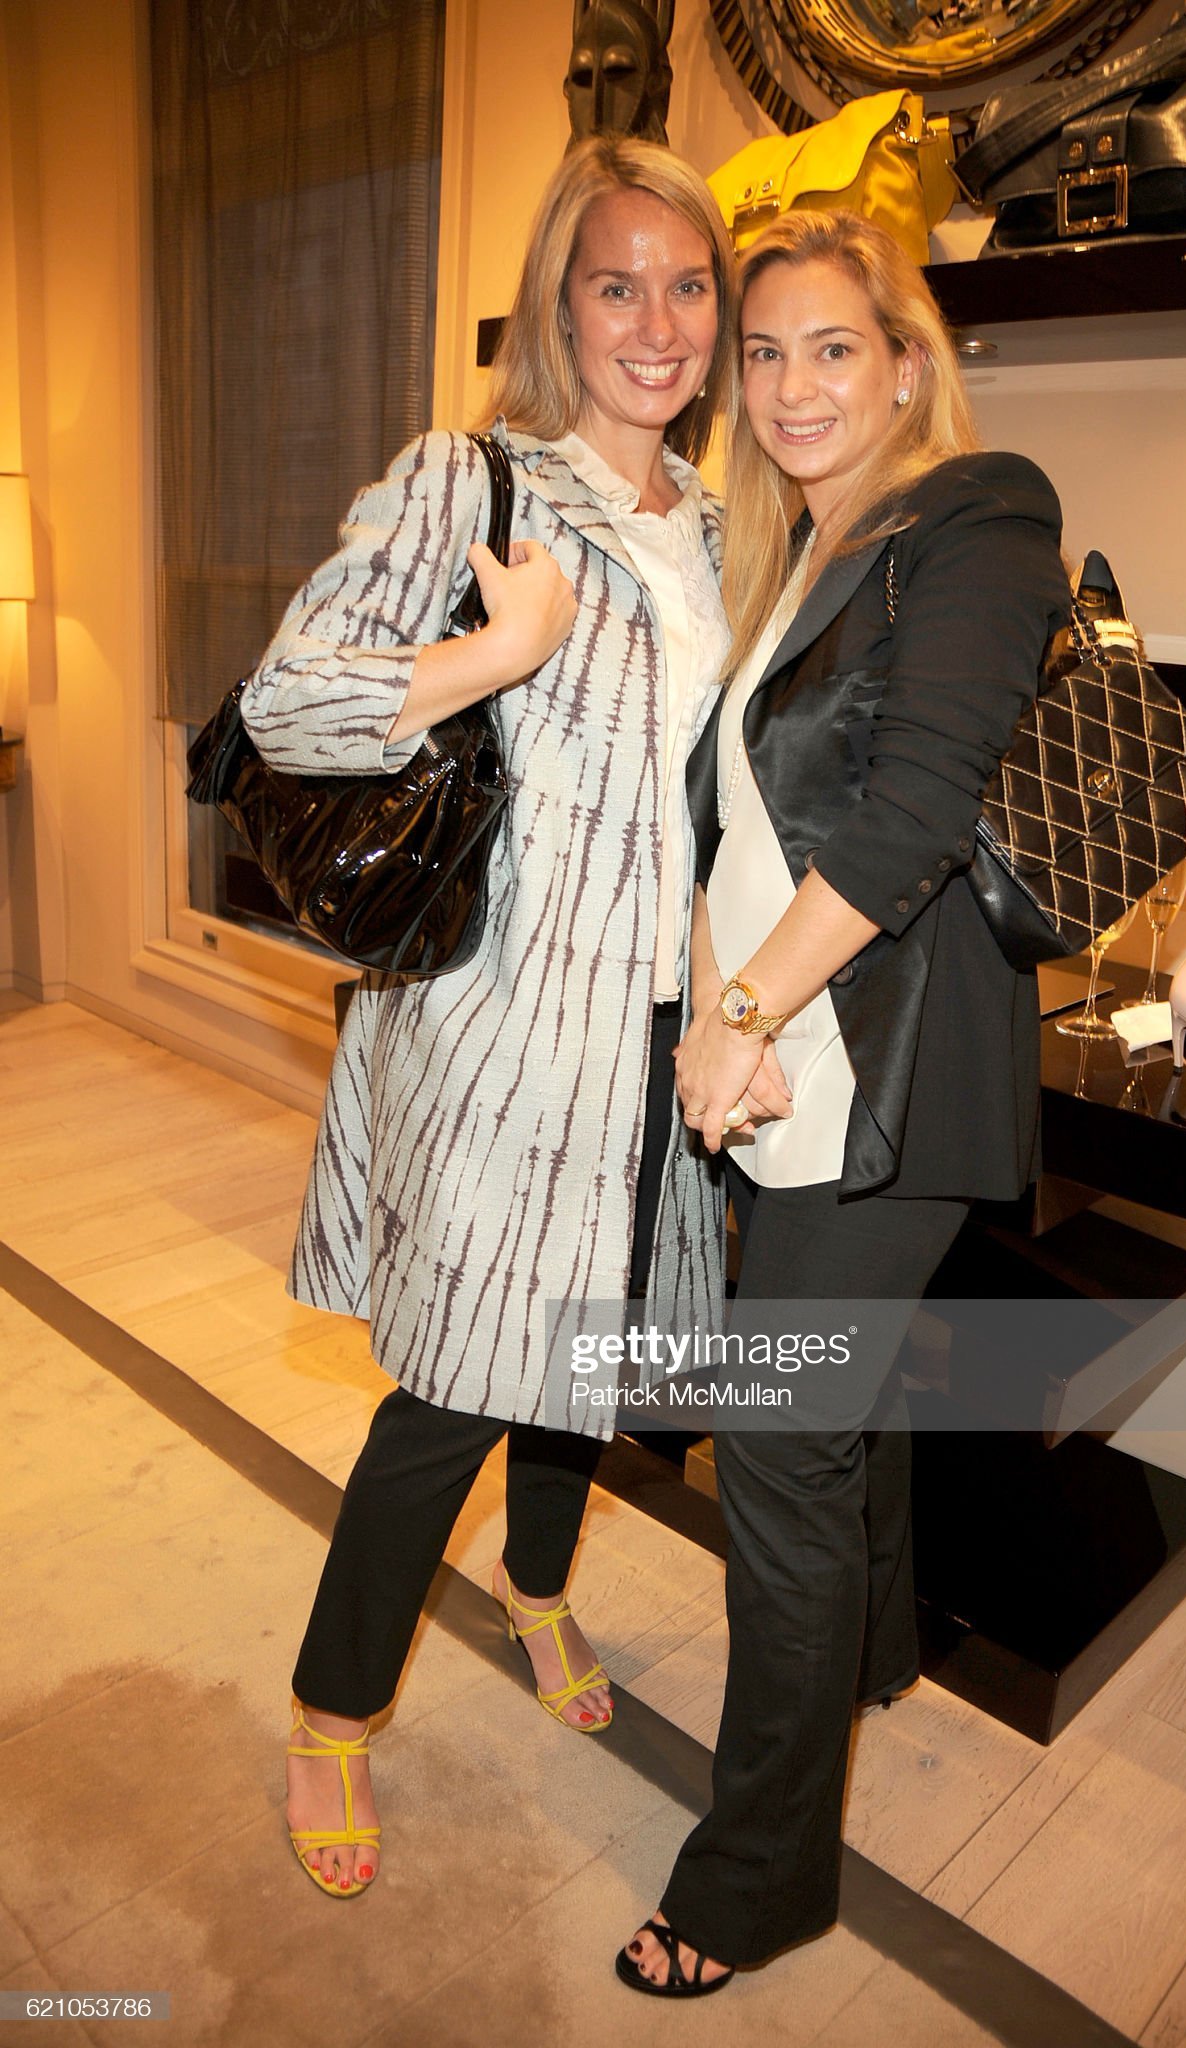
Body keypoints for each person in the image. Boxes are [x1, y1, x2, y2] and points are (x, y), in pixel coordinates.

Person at [241, 135, 735, 1898]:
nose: (654, 325)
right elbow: (285, 703)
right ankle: (331, 1711)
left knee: (592, 1352)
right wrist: (489, 653)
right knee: (454, 1383)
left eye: (687, 286)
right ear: (558, 306)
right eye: (616, 286)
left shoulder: (728, 522)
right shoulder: (474, 481)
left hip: (666, 1034)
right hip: (505, 1031)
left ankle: (535, 1588)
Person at [615, 209, 1072, 1995]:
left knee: (777, 1446)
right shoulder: (790, 551)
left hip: (871, 1070)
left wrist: (737, 1016)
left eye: (832, 348)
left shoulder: (977, 512)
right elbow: (734, 826)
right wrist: (706, 1018)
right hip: (773, 1070)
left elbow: (912, 814)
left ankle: (751, 1886)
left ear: (902, 364)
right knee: (841, 1410)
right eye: (764, 353)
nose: (793, 387)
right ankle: (872, 1664)